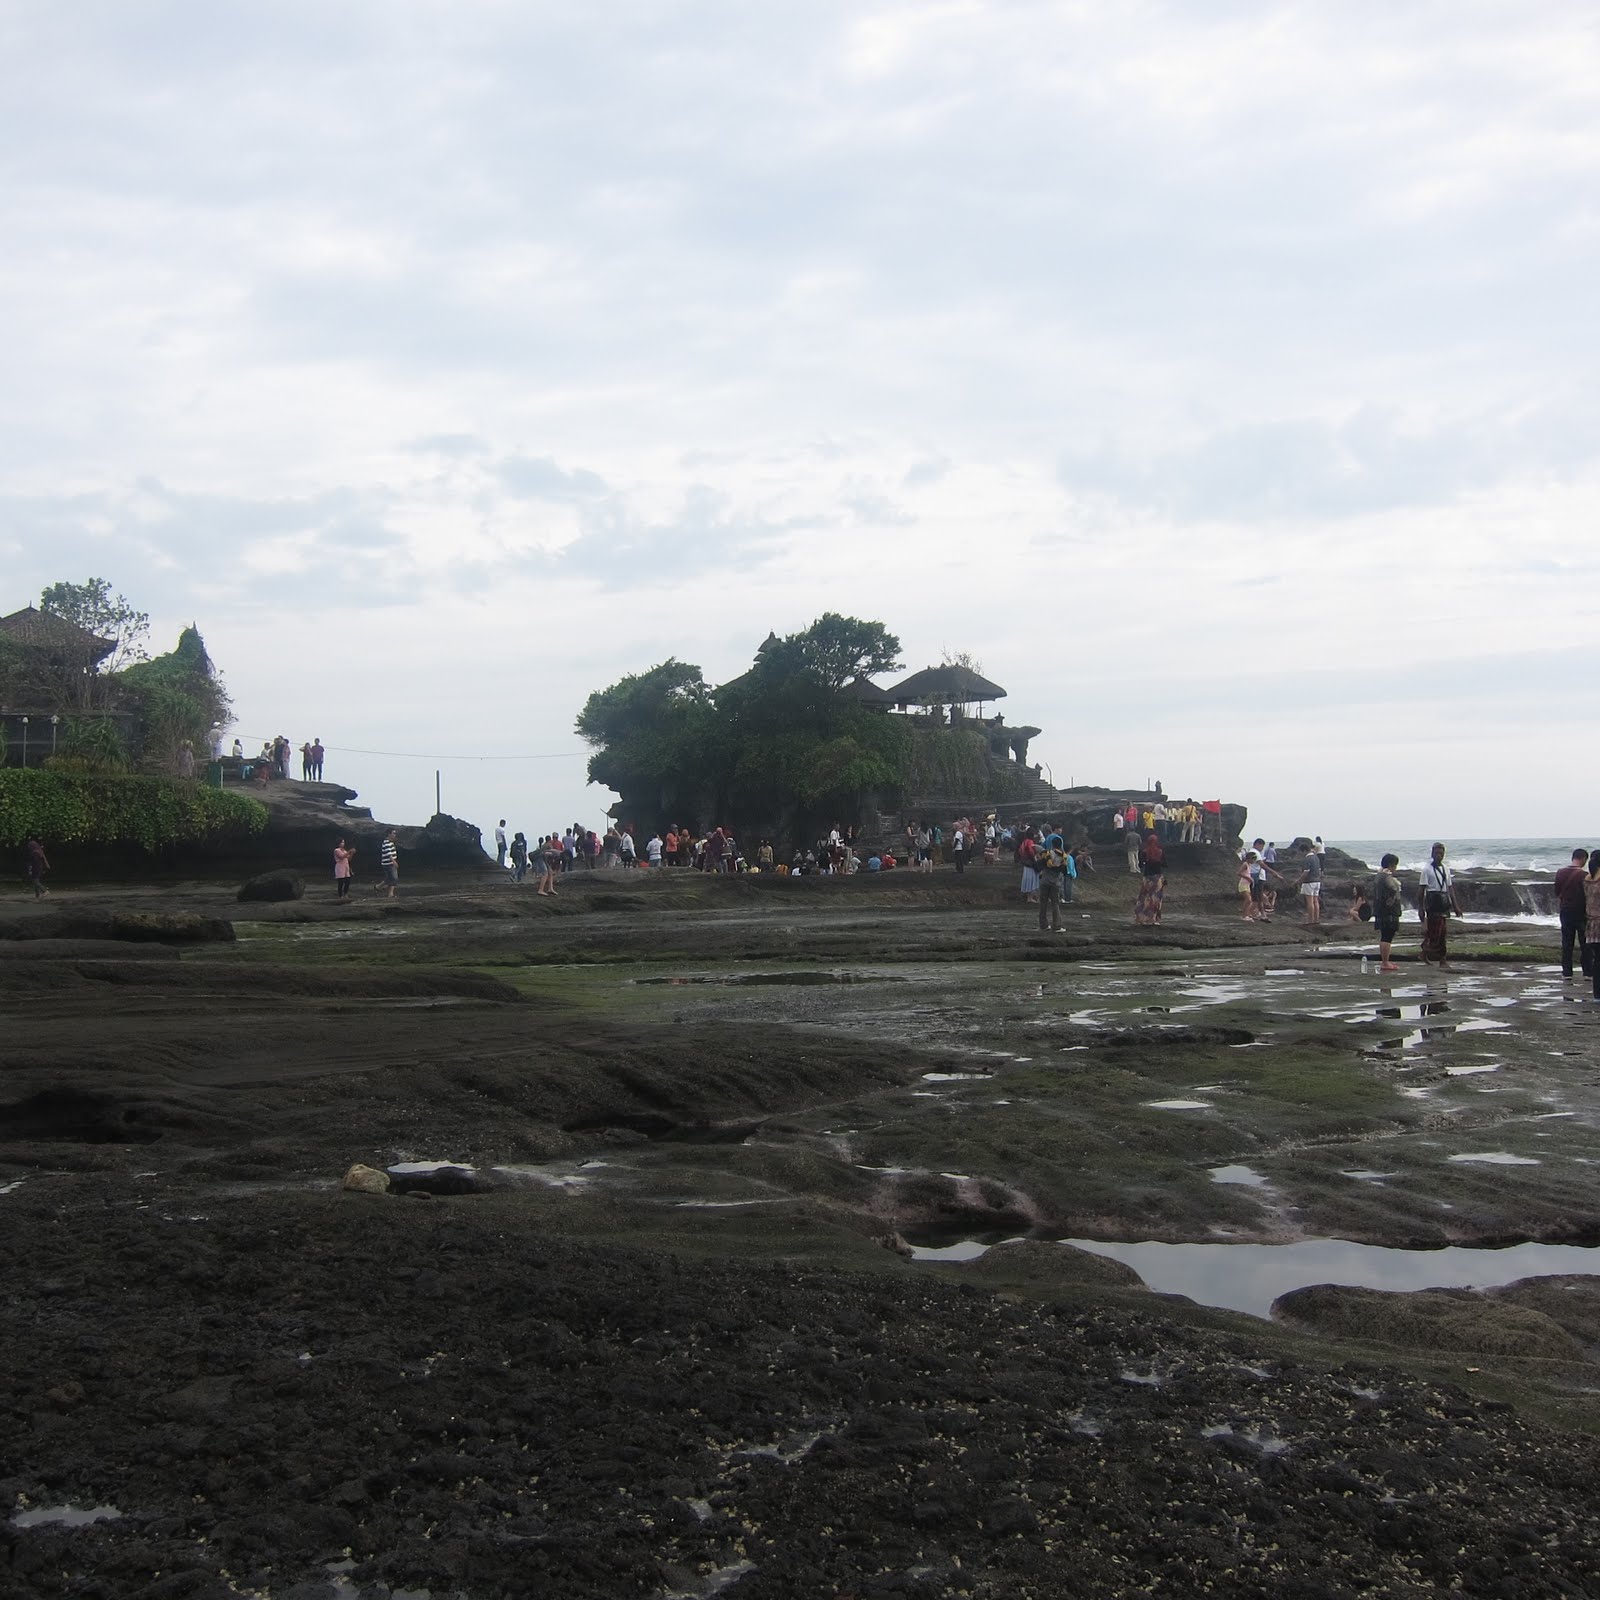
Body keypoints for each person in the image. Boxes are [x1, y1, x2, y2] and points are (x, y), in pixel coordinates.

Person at [1418, 841, 1459, 969]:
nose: (1439, 855)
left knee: (1442, 932)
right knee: (1434, 931)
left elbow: (1450, 888)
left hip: (1443, 901)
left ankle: (1441, 958)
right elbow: (1421, 890)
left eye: (1441, 853)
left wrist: (1455, 906)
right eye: (1436, 853)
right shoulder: (1427, 870)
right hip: (1432, 901)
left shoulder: (1446, 869)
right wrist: (1421, 908)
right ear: (1432, 854)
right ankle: (1427, 951)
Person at [1555, 849, 1591, 978]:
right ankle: (1587, 972)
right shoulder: (1584, 875)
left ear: (1573, 857)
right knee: (1585, 943)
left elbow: (1557, 892)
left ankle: (1567, 972)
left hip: (1565, 911)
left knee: (1567, 943)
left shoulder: (1560, 872)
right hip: (1581, 912)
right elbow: (1587, 895)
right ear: (1583, 859)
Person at [1372, 853, 1405, 972]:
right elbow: (1393, 889)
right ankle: (1385, 962)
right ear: (1391, 865)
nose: (1395, 868)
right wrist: (1391, 901)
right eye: (1395, 865)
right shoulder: (1386, 877)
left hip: (1380, 909)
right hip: (1389, 911)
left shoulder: (1378, 876)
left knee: (1384, 935)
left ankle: (1385, 961)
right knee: (1387, 936)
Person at [1036, 832, 1068, 931]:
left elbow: (1039, 865)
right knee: (1055, 904)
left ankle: (1043, 925)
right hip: (1055, 883)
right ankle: (1057, 925)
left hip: (1045, 881)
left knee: (1043, 903)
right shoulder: (1063, 856)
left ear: (1052, 844)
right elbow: (1064, 871)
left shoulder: (1047, 854)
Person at [1134, 832, 1165, 925]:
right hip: (1157, 878)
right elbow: (1164, 864)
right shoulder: (1160, 852)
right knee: (1156, 898)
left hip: (1147, 877)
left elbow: (1140, 864)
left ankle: (1141, 918)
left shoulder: (1145, 852)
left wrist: (1146, 862)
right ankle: (1154, 919)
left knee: (1144, 897)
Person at [1298, 840, 1323, 927]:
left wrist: (1299, 881)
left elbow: (1306, 872)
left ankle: (1310, 920)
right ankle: (1316, 919)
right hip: (1317, 881)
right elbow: (1319, 870)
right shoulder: (1316, 857)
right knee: (1316, 901)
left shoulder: (1307, 858)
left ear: (1304, 851)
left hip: (1309, 882)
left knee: (1310, 902)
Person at [1019, 832, 1039, 903]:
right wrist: (1034, 859)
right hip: (1030, 864)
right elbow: (1031, 851)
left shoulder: (1024, 841)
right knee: (1032, 880)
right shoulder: (1030, 841)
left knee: (1027, 880)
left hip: (1026, 863)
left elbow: (1020, 851)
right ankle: (1030, 897)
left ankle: (1028, 897)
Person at [379, 829, 400, 898]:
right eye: (393, 833)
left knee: (390, 878)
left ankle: (378, 887)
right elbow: (389, 854)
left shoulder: (390, 842)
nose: (395, 835)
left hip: (388, 863)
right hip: (389, 863)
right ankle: (390, 894)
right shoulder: (387, 843)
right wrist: (394, 862)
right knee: (394, 878)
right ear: (389, 834)